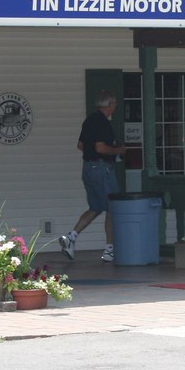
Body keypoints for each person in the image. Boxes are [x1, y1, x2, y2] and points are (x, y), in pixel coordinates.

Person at [59, 90, 126, 262]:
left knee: (96, 207)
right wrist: (119, 150)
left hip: (88, 167)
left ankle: (71, 237)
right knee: (112, 207)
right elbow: (100, 148)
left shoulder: (89, 120)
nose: (116, 106)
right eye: (115, 103)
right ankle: (109, 250)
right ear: (109, 105)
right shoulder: (102, 123)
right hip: (102, 168)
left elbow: (81, 145)